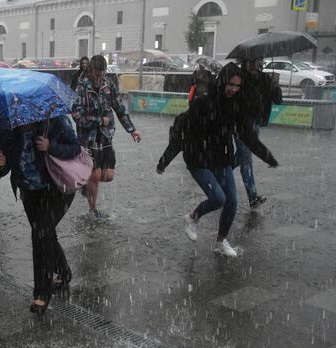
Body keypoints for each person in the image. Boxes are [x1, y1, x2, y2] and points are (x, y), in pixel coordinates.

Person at [156, 62, 279, 257]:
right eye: (230, 84)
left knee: (232, 201)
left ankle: (221, 242)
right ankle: (193, 217)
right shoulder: (203, 103)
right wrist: (164, 161)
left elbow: (248, 137)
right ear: (222, 81)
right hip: (198, 157)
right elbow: (181, 132)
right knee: (218, 199)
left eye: (237, 86)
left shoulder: (237, 106)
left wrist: (268, 157)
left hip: (221, 158)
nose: (233, 89)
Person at [0, 115, 81, 314]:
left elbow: (75, 148)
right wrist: (0, 165)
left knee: (40, 233)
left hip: (57, 187)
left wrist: (51, 146)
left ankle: (42, 293)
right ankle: (64, 271)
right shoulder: (7, 125)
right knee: (45, 233)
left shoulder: (54, 119)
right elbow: (5, 167)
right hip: (29, 191)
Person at [72, 55, 142, 218]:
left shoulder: (109, 85)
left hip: (105, 136)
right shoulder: (81, 87)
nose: (99, 77)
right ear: (90, 70)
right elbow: (76, 115)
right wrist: (98, 121)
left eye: (102, 73)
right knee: (95, 175)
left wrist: (132, 130)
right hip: (87, 138)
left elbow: (119, 108)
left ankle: (86, 182)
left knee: (108, 176)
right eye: (96, 73)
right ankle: (93, 210)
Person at [235, 57, 283, 209]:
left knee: (241, 156)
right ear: (247, 61)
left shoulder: (264, 78)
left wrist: (275, 85)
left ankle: (220, 174)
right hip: (240, 124)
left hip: (256, 123)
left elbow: (278, 100)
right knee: (246, 159)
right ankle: (253, 197)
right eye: (255, 59)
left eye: (259, 60)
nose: (258, 62)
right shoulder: (239, 77)